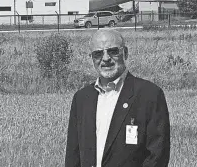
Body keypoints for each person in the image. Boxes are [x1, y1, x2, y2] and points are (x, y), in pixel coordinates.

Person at [65, 30, 170, 167]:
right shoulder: (82, 99)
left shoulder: (149, 95)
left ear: (125, 52)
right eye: (98, 54)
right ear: (91, 58)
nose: (106, 58)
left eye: (113, 51)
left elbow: (157, 156)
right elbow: (73, 156)